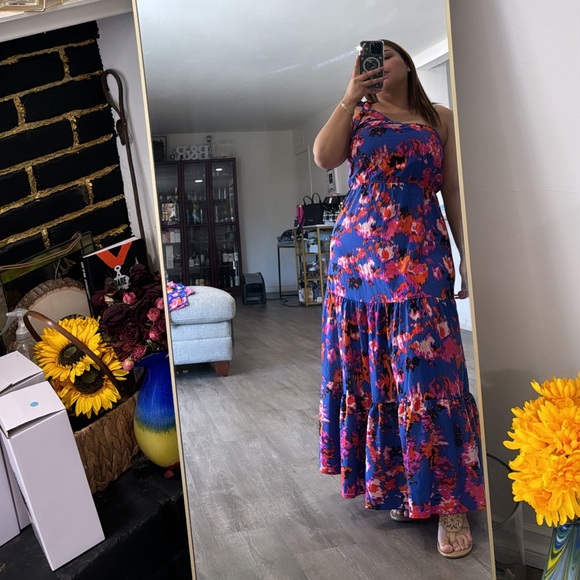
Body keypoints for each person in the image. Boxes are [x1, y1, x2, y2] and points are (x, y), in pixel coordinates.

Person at [314, 39, 486, 559]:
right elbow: (323, 157)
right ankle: (399, 484)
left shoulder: (441, 118)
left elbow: (453, 192)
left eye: (384, 55)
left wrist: (467, 253)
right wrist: (348, 97)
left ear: (407, 63)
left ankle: (450, 500)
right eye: (368, 59)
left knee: (432, 374)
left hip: (421, 256)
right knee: (379, 375)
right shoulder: (357, 114)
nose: (375, 64)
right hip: (358, 266)